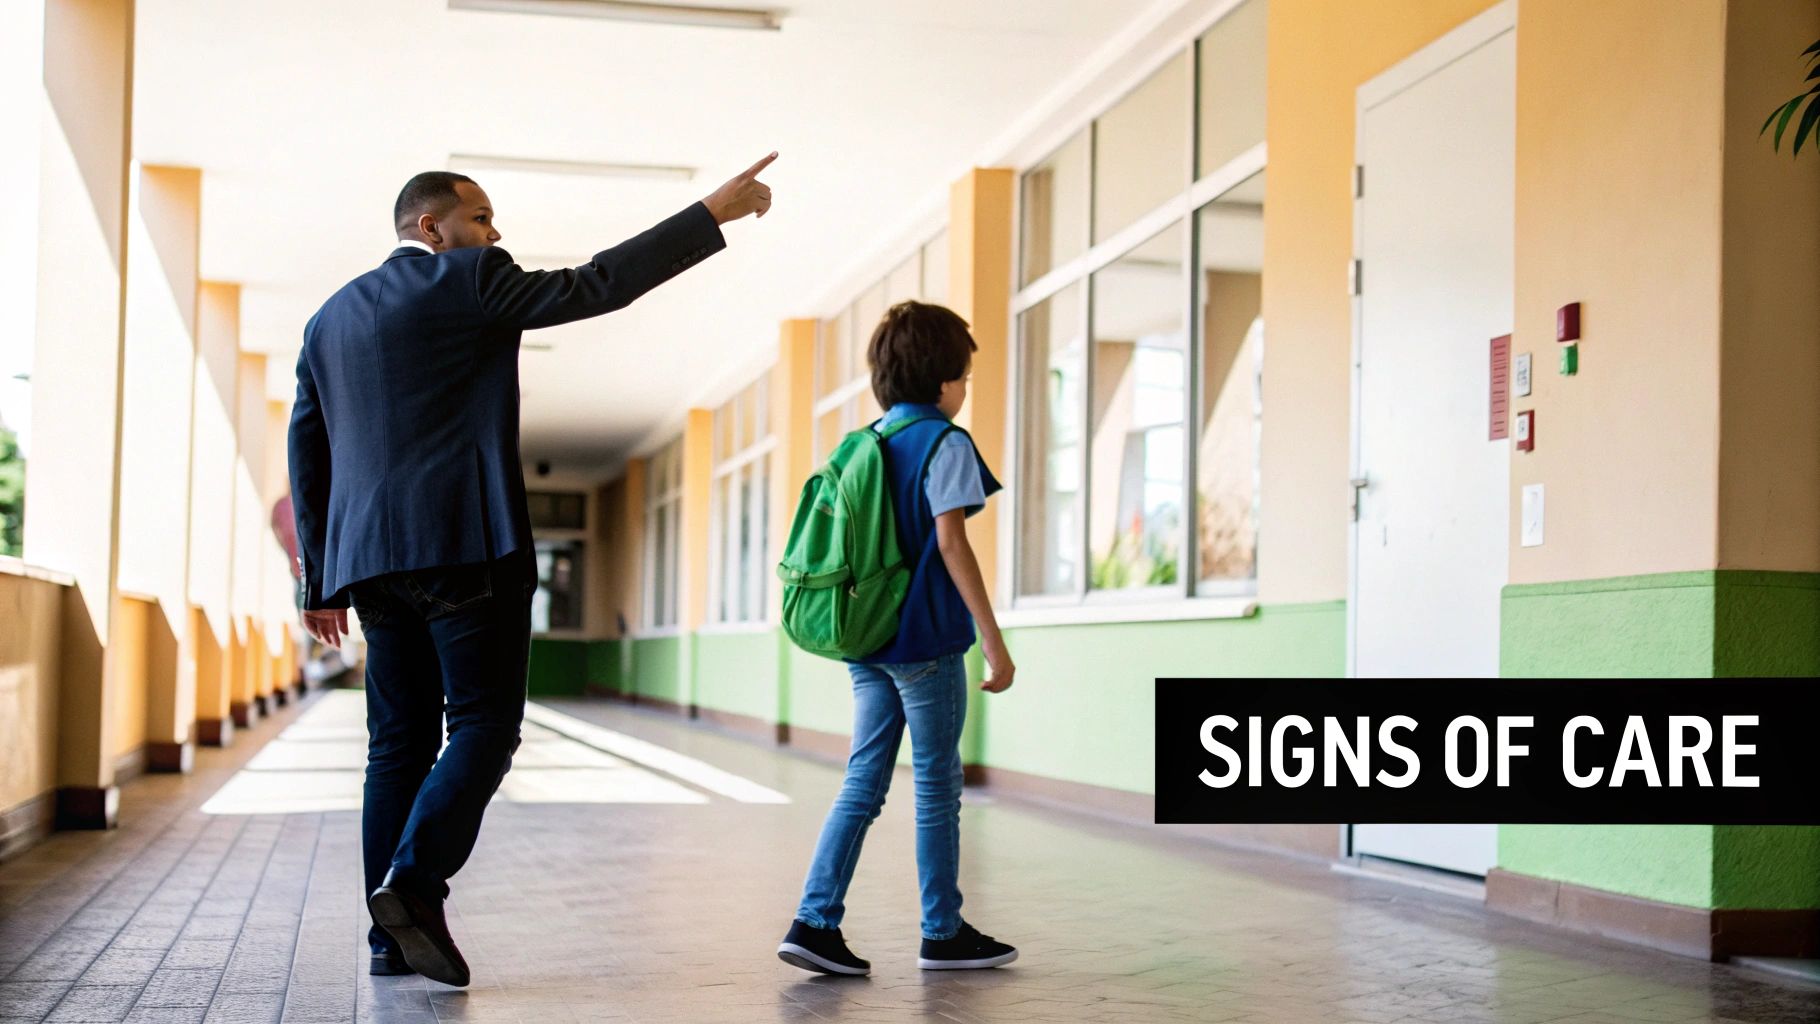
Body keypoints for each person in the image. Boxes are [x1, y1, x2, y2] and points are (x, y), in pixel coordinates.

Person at [288, 155, 776, 987]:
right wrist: (709, 214)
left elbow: (309, 445)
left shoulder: (328, 320)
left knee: (395, 747)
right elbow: (595, 286)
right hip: (464, 545)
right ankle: (410, 886)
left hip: (370, 563)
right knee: (483, 724)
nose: (495, 232)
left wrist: (319, 575)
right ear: (431, 228)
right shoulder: (469, 279)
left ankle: (386, 938)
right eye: (480, 217)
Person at [777, 301, 1020, 976]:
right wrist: (993, 643)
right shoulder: (946, 442)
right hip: (928, 648)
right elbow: (952, 543)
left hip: (868, 645)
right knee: (938, 787)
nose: (965, 391)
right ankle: (942, 931)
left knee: (863, 780)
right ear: (942, 379)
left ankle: (814, 920)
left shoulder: (868, 442)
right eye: (964, 378)